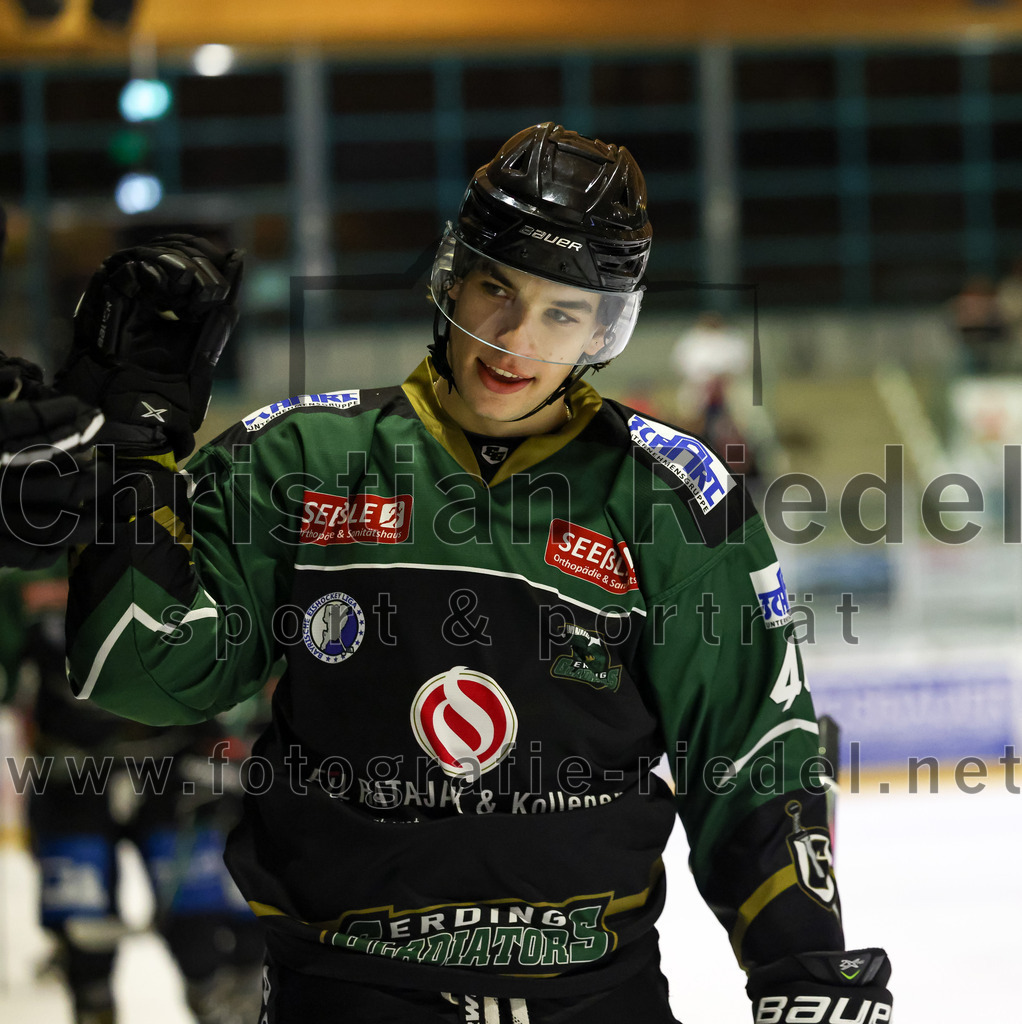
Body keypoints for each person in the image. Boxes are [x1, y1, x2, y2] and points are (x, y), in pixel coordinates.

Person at [59, 124, 892, 1022]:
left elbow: (750, 758)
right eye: (497, 288)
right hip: (341, 996)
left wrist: (803, 968)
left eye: (562, 313)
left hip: (594, 1000)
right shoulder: (299, 457)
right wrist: (133, 466)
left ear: (605, 329)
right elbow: (136, 673)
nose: (515, 340)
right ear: (450, 275)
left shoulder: (672, 499)